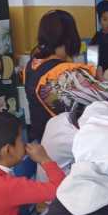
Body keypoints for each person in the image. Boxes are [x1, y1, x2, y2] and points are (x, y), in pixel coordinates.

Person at [23, 9, 82, 141]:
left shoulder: (31, 65)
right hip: (61, 143)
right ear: (70, 36)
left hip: (41, 138)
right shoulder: (61, 71)